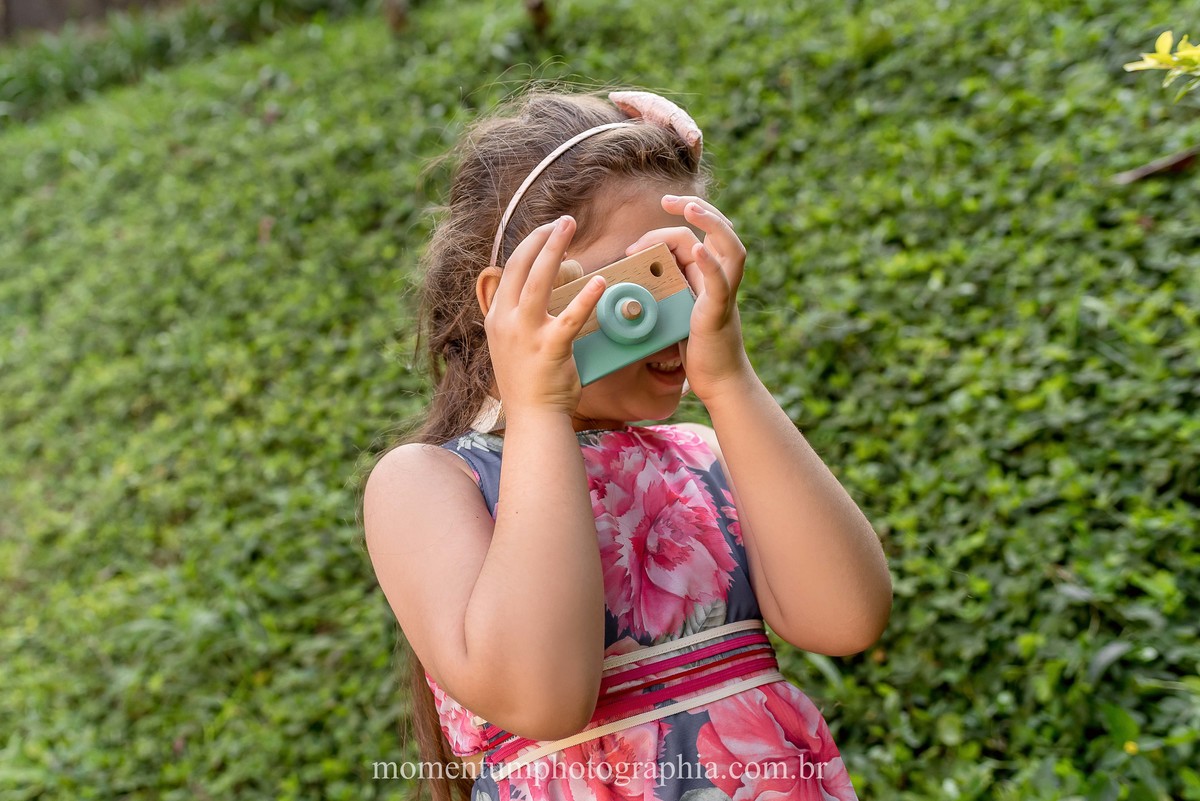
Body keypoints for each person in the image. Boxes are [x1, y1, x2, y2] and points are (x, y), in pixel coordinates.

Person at [361, 86, 892, 801]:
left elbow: (846, 615)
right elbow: (542, 696)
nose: (671, 312)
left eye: (684, 267)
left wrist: (730, 380)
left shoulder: (701, 455)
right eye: (637, 281)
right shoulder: (429, 484)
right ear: (510, 300)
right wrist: (540, 403)